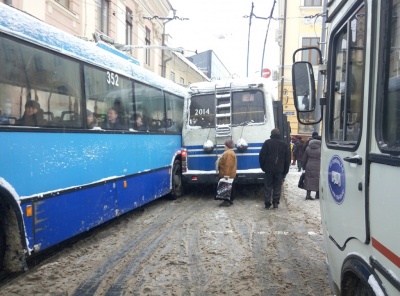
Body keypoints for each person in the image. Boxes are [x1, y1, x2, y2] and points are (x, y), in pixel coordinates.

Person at [259, 128, 290, 209]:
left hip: (268, 169)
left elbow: (262, 156)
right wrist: (285, 171)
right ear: (279, 134)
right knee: (277, 186)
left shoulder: (267, 143)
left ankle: (267, 202)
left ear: (271, 134)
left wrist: (263, 167)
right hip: (279, 169)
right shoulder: (284, 144)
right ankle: (276, 202)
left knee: (268, 186)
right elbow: (287, 159)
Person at [216, 139, 237, 207]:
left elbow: (228, 165)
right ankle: (229, 200)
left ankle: (227, 201)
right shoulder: (229, 153)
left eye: (225, 145)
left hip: (228, 175)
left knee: (227, 187)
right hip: (229, 174)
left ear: (228, 146)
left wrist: (226, 175)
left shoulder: (229, 154)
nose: (224, 146)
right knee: (229, 187)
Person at [302, 135, 322, 200]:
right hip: (319, 166)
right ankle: (317, 195)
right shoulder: (321, 148)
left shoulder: (308, 147)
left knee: (308, 179)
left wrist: (304, 166)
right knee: (318, 179)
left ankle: (308, 195)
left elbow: (304, 158)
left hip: (309, 165)